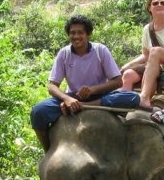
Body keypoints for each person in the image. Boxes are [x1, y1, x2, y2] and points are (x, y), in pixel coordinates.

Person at [30, 15, 140, 150]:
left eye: (80, 32)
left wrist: (93, 89)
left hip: (100, 97)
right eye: (72, 33)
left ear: (88, 34)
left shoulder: (100, 50)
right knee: (38, 111)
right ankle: (48, 150)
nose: (76, 36)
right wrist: (67, 99)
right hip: (73, 97)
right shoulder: (64, 54)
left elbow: (117, 82)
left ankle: (84, 106)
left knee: (132, 97)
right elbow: (52, 85)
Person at [118, 0, 164, 91]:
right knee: (128, 74)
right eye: (155, 3)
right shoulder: (147, 29)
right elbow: (145, 55)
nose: (159, 5)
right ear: (149, 8)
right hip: (153, 65)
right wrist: (129, 64)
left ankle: (145, 97)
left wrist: (158, 58)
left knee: (156, 52)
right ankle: (125, 98)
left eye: (163, 3)